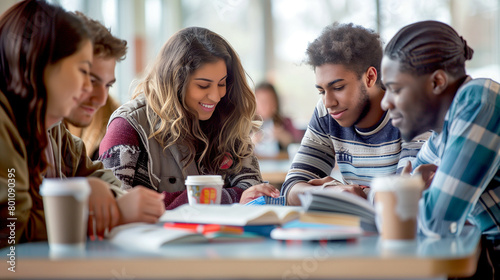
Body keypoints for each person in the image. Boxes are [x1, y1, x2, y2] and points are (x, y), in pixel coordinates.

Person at [0, 0, 164, 248]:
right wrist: (104, 212)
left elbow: (98, 177)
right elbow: (11, 225)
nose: (92, 92)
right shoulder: (6, 122)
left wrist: (94, 191)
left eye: (106, 84)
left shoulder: (53, 130)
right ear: (42, 63)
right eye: (83, 72)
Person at [99, 27, 279, 209]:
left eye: (222, 83)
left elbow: (254, 190)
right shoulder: (127, 125)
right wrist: (228, 196)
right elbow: (117, 203)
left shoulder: (227, 118)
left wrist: (195, 198)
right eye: (203, 86)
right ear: (175, 81)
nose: (216, 96)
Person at [381, 20, 499, 279]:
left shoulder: (480, 100)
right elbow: (398, 196)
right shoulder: (440, 136)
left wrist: (409, 198)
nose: (384, 102)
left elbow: (437, 222)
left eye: (395, 89)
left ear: (437, 82)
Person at [281, 22, 429, 206]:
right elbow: (290, 189)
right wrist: (329, 190)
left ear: (370, 77)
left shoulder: (410, 111)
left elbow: (407, 194)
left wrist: (355, 194)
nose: (328, 102)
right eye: (321, 91)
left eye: (338, 87)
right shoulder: (326, 114)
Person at [64, 12, 126, 161]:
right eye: (91, 80)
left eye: (108, 85)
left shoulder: (58, 133)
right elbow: (10, 184)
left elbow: (90, 172)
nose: (101, 100)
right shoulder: (12, 127)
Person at [252, 82, 303, 157]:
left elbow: (297, 142)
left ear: (276, 102)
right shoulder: (247, 124)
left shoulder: (285, 122)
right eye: (261, 101)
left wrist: (282, 136)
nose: (265, 105)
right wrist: (251, 142)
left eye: (269, 101)